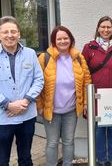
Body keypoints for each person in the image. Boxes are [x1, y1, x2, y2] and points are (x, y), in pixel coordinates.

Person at [0, 16, 44, 166]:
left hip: (26, 116)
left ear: (19, 34)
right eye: (5, 32)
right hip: (2, 118)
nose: (10, 35)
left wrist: (26, 101)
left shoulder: (30, 53)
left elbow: (39, 80)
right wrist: (8, 105)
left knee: (26, 159)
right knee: (2, 161)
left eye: (13, 31)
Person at [37, 26, 91, 166]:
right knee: (52, 143)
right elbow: (36, 83)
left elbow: (87, 81)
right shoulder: (45, 58)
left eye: (65, 38)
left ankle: (68, 164)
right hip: (51, 111)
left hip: (71, 111)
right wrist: (39, 105)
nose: (62, 41)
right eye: (59, 38)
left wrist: (85, 103)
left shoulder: (79, 58)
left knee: (68, 141)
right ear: (54, 41)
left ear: (71, 39)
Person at [82, 16, 112, 166]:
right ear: (98, 28)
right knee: (99, 131)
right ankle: (101, 161)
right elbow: (83, 74)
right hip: (95, 97)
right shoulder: (89, 48)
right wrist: (85, 100)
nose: (106, 30)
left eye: (109, 27)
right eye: (103, 27)